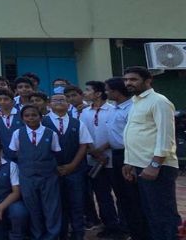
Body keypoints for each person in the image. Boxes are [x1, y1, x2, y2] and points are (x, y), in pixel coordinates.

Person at [122, 66, 180, 240]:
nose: (128, 83)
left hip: (158, 167)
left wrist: (155, 165)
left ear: (148, 81)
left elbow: (166, 137)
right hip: (140, 165)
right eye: (126, 80)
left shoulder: (159, 101)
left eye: (133, 79)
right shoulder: (135, 102)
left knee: (162, 214)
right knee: (149, 213)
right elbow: (134, 134)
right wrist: (129, 162)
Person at [42, 91, 92, 240]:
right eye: (55, 100)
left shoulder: (78, 122)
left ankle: (78, 234)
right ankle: (61, 234)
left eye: (62, 100)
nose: (59, 102)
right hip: (52, 172)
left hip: (75, 170)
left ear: (68, 105)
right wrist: (54, 167)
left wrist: (72, 165)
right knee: (57, 205)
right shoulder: (42, 122)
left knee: (77, 203)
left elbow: (84, 145)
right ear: (49, 104)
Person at [104, 77, 149, 240]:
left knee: (133, 196)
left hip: (129, 154)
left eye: (108, 90)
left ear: (116, 91)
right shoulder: (113, 109)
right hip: (115, 155)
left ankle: (141, 232)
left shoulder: (132, 108)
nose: (106, 93)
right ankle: (129, 229)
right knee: (122, 195)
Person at [9, 105, 62, 240]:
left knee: (52, 208)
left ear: (40, 117)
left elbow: (55, 152)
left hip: (48, 176)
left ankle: (52, 236)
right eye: (27, 116)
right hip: (27, 177)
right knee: (32, 208)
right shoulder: (17, 134)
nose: (31, 118)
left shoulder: (51, 133)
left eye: (34, 115)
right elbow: (14, 152)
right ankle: (37, 235)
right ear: (22, 118)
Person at [79, 80, 121, 237]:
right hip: (94, 160)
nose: (85, 93)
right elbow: (84, 134)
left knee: (120, 194)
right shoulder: (85, 112)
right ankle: (110, 225)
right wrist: (95, 153)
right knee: (102, 195)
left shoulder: (113, 110)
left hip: (112, 159)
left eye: (88, 90)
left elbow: (117, 133)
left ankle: (123, 226)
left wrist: (102, 150)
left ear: (98, 93)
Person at [0, 89, 21, 162]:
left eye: (6, 99)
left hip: (24, 154)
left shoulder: (21, 115)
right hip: (6, 156)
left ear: (13, 101)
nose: (2, 102)